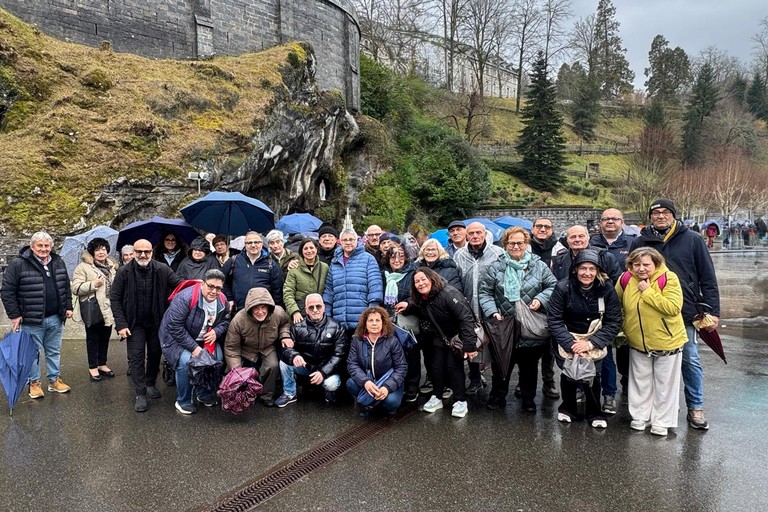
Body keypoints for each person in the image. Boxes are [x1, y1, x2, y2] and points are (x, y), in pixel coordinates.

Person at [630, 199, 720, 430]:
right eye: (656, 213)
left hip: (686, 310)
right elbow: (630, 274)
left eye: (665, 212)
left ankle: (695, 407)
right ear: (650, 217)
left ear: (674, 215)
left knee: (689, 359)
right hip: (649, 312)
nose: (660, 216)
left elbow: (707, 277)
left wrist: (712, 310)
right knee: (649, 364)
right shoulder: (641, 241)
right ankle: (657, 409)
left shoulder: (692, 239)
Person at [478, 227, 557, 413]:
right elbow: (485, 292)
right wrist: (492, 312)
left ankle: (528, 400)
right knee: (501, 366)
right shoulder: (496, 266)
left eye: (520, 243)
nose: (515, 246)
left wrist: (540, 299)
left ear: (526, 244)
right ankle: (498, 397)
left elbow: (553, 286)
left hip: (530, 327)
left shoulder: (539, 265)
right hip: (504, 326)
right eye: (511, 243)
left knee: (529, 368)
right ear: (505, 245)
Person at [547, 250, 623, 428]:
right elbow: (554, 319)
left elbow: (614, 321)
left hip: (594, 338)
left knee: (593, 376)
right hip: (568, 337)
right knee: (568, 375)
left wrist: (591, 343)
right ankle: (567, 409)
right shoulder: (562, 287)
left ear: (597, 271)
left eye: (591, 269)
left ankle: (595, 412)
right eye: (582, 268)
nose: (587, 273)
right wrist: (571, 344)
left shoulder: (607, 289)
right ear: (575, 270)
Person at [616, 248, 686, 436]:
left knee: (665, 384)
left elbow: (673, 308)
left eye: (646, 264)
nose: (641, 269)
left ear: (655, 263)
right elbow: (618, 305)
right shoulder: (625, 279)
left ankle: (662, 421)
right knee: (640, 382)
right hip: (637, 341)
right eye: (636, 264)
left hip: (667, 341)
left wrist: (647, 292)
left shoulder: (669, 278)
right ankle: (640, 417)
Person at [395, 267, 478, 418]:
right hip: (440, 337)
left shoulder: (449, 293)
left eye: (423, 279)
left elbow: (466, 318)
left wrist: (470, 345)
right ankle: (437, 397)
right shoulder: (423, 297)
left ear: (431, 279)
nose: (420, 284)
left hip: (457, 337)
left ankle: (460, 400)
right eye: (417, 281)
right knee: (436, 367)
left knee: (453, 367)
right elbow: (417, 306)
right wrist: (408, 305)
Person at [110, 238, 183, 412]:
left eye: (147, 251)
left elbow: (180, 286)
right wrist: (121, 324)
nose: (143, 255)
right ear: (134, 252)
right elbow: (115, 298)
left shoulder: (162, 269)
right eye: (139, 251)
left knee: (155, 353)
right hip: (134, 323)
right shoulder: (124, 272)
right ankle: (140, 392)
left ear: (152, 252)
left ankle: (150, 383)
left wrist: (200, 286)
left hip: (157, 321)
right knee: (136, 357)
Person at [1, 231, 73, 399]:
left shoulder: (58, 262)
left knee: (54, 351)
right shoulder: (18, 264)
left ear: (51, 247)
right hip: (31, 319)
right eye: (40, 245)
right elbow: (7, 291)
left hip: (56, 317)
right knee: (32, 353)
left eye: (47, 245)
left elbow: (65, 287)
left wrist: (68, 306)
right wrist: (14, 315)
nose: (43, 249)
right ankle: (34, 383)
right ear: (32, 247)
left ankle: (54, 380)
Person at [159, 270, 230, 414]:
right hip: (176, 338)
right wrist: (194, 349)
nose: (214, 291)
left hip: (204, 338)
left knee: (216, 359)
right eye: (210, 286)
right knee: (187, 362)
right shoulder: (186, 298)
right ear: (203, 283)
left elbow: (225, 320)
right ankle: (183, 400)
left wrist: (216, 331)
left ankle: (203, 394)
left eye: (218, 288)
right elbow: (174, 327)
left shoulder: (222, 300)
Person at [589, 208, 637, 413]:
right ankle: (609, 394)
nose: (610, 222)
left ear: (622, 222)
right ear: (600, 222)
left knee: (627, 350)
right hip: (598, 305)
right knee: (605, 351)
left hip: (626, 304)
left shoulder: (633, 243)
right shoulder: (591, 243)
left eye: (614, 219)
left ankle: (628, 385)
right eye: (606, 219)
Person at [453, 221, 504, 394]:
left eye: (478, 233)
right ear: (467, 235)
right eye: (472, 233)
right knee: (471, 342)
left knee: (495, 345)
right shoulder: (459, 255)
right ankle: (474, 379)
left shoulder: (497, 253)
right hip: (467, 308)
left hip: (491, 307)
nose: (475, 236)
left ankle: (498, 382)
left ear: (485, 234)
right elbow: (455, 280)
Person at [224, 287, 292, 407]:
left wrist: (284, 335)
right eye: (256, 307)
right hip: (246, 348)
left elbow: (285, 323)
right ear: (249, 308)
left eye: (263, 307)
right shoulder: (239, 319)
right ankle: (235, 395)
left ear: (269, 307)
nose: (260, 312)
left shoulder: (278, 312)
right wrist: (237, 370)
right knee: (233, 371)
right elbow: (231, 348)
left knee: (273, 366)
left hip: (268, 347)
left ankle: (267, 396)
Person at [275, 294, 346, 407]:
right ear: (306, 309)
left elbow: (339, 355)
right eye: (311, 307)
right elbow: (284, 349)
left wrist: (323, 372)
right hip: (306, 366)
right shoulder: (297, 327)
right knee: (284, 362)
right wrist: (294, 356)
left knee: (331, 384)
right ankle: (289, 393)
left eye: (318, 306)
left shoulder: (337, 327)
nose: (315, 310)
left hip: (327, 369)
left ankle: (330, 391)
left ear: (324, 307)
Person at [71, 237, 118, 382]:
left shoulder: (112, 267)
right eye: (97, 249)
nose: (101, 252)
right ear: (92, 252)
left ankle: (102, 364)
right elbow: (75, 288)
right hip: (93, 308)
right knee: (93, 339)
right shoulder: (83, 267)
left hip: (108, 308)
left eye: (103, 248)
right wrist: (93, 284)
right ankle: (92, 366)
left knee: (105, 337)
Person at [346, 307, 407, 417]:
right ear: (365, 323)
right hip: (368, 380)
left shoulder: (392, 341)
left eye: (377, 320)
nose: (374, 324)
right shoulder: (357, 340)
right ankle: (372, 401)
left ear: (383, 322)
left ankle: (374, 403)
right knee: (351, 383)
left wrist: (387, 387)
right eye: (370, 320)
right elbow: (352, 364)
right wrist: (365, 382)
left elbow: (401, 367)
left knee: (391, 402)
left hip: (388, 381)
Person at [323, 228, 383, 338]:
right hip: (339, 320)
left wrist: (371, 313)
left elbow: (375, 287)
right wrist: (327, 315)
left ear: (357, 240)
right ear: (340, 242)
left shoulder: (368, 259)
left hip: (361, 319)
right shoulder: (335, 262)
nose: (348, 242)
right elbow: (329, 290)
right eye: (345, 240)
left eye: (351, 239)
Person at [381, 244, 420, 402]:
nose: (397, 260)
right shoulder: (383, 274)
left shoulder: (413, 273)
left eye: (401, 257)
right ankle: (397, 385)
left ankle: (412, 386)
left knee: (411, 354)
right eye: (393, 257)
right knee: (393, 355)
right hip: (388, 320)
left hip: (407, 320)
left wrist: (408, 303)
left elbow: (419, 294)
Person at [222, 231, 284, 311]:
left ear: (262, 244)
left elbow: (277, 290)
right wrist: (229, 299)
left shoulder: (271, 264)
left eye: (256, 242)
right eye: (249, 243)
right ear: (245, 244)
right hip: (239, 310)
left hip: (262, 311)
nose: (253, 245)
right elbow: (222, 281)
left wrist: (275, 310)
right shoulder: (234, 261)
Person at [283, 238, 329, 324]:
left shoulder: (324, 267)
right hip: (300, 312)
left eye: (311, 248)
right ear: (301, 251)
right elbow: (288, 293)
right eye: (305, 248)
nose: (309, 251)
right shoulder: (294, 269)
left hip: (318, 312)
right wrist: (294, 311)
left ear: (316, 249)